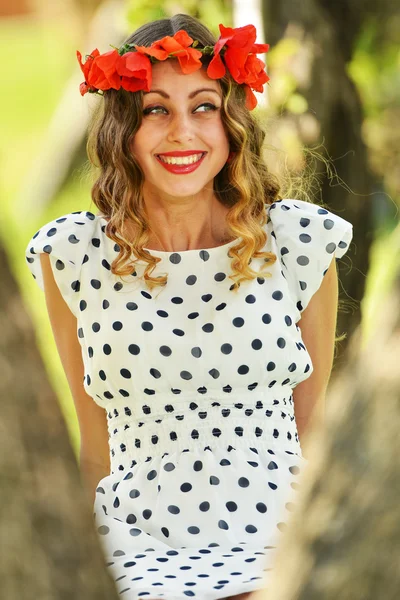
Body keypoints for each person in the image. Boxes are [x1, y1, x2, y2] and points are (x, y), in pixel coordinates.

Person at [24, 13, 353, 600]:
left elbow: (313, 433)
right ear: (123, 128)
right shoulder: (73, 255)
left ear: (231, 125)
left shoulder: (300, 241)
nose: (182, 132)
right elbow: (94, 448)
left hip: (274, 537)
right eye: (156, 110)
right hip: (137, 546)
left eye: (203, 107)